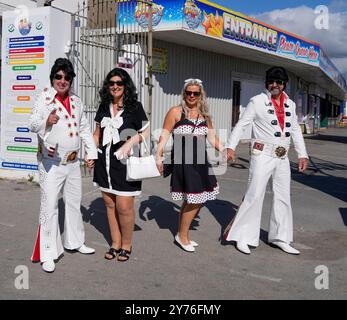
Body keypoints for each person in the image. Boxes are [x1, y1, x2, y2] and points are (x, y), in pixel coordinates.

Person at [224, 66, 309, 255]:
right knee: (254, 194)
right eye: (271, 81)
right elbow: (241, 125)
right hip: (262, 155)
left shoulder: (291, 104)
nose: (274, 85)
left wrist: (302, 154)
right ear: (267, 83)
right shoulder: (257, 101)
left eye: (278, 82)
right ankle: (243, 237)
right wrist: (230, 146)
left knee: (283, 197)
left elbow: (295, 129)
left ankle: (281, 238)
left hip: (282, 157)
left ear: (284, 84)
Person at [29, 58, 98, 273]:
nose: (63, 80)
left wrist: (91, 152)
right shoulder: (44, 98)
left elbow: (84, 128)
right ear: (52, 78)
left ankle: (75, 242)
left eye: (67, 77)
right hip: (51, 163)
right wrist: (47, 121)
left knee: (74, 203)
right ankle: (48, 253)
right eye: (58, 76)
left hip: (73, 162)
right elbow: (32, 123)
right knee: (49, 207)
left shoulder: (76, 101)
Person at [156, 78, 224, 253]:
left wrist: (225, 150)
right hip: (183, 162)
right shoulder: (176, 112)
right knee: (196, 199)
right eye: (189, 93)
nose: (192, 96)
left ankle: (182, 234)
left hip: (201, 162)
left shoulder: (204, 115)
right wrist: (159, 156)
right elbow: (164, 135)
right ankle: (182, 236)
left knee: (195, 200)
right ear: (183, 93)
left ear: (201, 94)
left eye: (196, 93)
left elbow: (211, 137)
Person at [93, 68, 149, 262]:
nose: (115, 86)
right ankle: (115, 243)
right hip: (104, 163)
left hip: (125, 164)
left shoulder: (135, 107)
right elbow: (97, 133)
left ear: (125, 86)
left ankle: (126, 244)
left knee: (124, 206)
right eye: (111, 83)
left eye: (119, 83)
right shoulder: (103, 106)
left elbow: (145, 132)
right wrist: (91, 152)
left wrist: (129, 142)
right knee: (109, 204)